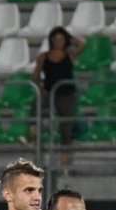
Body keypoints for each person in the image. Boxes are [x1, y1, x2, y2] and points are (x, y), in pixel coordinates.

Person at [34, 27, 83, 163]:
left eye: (61, 39)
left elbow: (82, 44)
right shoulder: (44, 56)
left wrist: (69, 37)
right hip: (50, 92)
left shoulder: (69, 54)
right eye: (55, 39)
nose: (58, 42)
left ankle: (65, 160)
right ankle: (33, 138)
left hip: (66, 94)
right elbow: (36, 75)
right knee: (36, 108)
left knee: (66, 127)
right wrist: (40, 87)